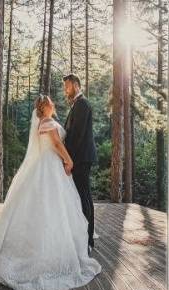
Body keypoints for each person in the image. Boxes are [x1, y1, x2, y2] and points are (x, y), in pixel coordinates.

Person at [0, 94, 100, 290]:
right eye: (51, 103)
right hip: (50, 166)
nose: (54, 104)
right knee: (51, 206)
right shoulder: (47, 122)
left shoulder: (43, 122)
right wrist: (69, 160)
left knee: (48, 207)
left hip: (47, 165)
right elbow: (57, 144)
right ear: (45, 107)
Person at [63, 73, 96, 252]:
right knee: (84, 197)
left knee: (84, 198)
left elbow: (77, 136)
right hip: (80, 157)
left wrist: (68, 159)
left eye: (67, 86)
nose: (65, 90)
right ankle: (86, 238)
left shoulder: (82, 104)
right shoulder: (77, 104)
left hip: (81, 158)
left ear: (76, 85)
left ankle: (87, 240)